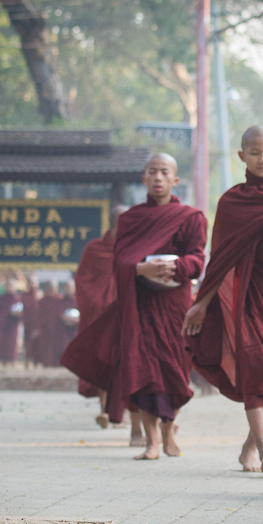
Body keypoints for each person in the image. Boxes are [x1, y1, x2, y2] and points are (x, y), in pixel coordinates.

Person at [61, 153, 207, 460]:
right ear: (144, 179)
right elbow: (120, 262)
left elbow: (197, 259)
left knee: (176, 371)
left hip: (174, 304)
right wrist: (142, 270)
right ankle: (152, 441)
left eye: (164, 172)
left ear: (174, 180)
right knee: (144, 371)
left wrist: (177, 266)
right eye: (152, 172)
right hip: (140, 305)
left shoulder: (191, 217)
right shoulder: (131, 220)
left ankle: (169, 434)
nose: (157, 177)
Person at [183, 126, 263, 476]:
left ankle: (249, 444)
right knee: (255, 367)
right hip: (247, 297)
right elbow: (219, 258)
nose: (262, 159)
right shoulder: (232, 202)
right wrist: (202, 303)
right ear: (241, 156)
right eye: (255, 152)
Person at [74, 205, 129, 428]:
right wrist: (97, 302)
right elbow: (83, 281)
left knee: (125, 362)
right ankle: (105, 410)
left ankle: (121, 413)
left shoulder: (134, 247)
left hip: (126, 314)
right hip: (101, 315)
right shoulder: (95, 249)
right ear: (116, 222)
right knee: (104, 362)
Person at [0, 278, 20, 366]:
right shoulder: (0, 299)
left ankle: (13, 365)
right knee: (3, 348)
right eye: (7, 286)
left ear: (14, 287)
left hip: (12, 327)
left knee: (11, 347)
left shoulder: (17, 299)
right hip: (2, 328)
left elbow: (21, 313)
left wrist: (17, 314)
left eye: (11, 286)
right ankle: (4, 365)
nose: (9, 288)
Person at [35, 281, 64, 367]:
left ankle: (56, 363)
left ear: (57, 290)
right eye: (50, 289)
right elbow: (38, 315)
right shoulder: (42, 301)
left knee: (57, 346)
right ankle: (46, 363)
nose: (51, 291)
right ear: (47, 290)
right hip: (45, 329)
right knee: (45, 347)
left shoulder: (60, 300)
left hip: (57, 329)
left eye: (53, 289)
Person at [21, 277, 42, 368]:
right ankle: (27, 364)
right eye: (30, 283)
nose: (32, 285)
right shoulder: (24, 296)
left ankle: (36, 365)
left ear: (37, 284)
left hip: (38, 324)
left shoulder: (40, 295)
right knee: (28, 345)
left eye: (34, 283)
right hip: (28, 324)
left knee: (37, 345)